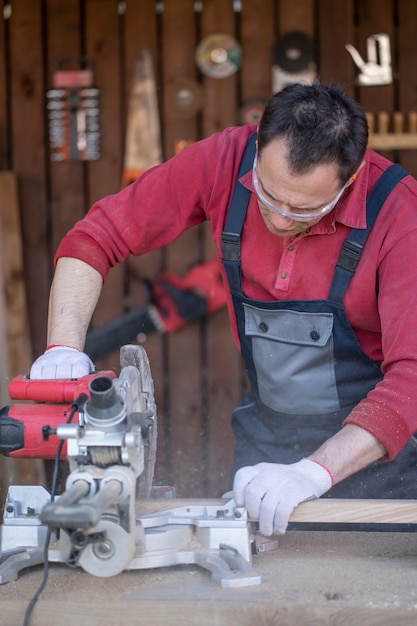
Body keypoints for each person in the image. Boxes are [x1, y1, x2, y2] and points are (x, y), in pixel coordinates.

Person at [30, 81, 417, 537]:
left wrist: (309, 474)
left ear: (350, 179)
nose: (279, 219)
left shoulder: (399, 214)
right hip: (266, 444)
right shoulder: (223, 161)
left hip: (376, 465)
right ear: (258, 146)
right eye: (268, 195)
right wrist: (62, 348)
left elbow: (411, 377)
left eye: (304, 209)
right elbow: (94, 238)